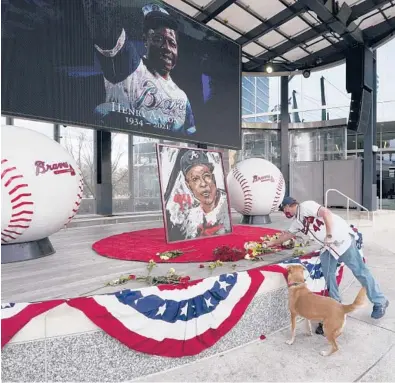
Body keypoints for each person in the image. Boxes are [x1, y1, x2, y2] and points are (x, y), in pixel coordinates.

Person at [264, 196, 389, 334]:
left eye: (284, 209)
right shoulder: (297, 222)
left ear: (288, 206)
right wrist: (271, 243)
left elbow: (326, 213)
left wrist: (329, 235)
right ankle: (334, 311)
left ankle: (380, 301)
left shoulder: (306, 205)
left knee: (360, 272)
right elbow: (287, 234)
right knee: (329, 277)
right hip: (328, 248)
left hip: (342, 240)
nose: (284, 212)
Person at [84, 2, 196, 135]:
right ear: (145, 40)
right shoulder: (131, 67)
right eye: (158, 39)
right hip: (120, 144)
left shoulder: (182, 98)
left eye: (172, 43)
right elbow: (105, 29)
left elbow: (191, 139)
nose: (166, 48)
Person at [165, 149, 231, 240]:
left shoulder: (226, 204)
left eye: (206, 176)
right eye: (195, 179)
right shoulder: (190, 217)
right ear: (188, 186)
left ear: (213, 177)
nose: (203, 184)